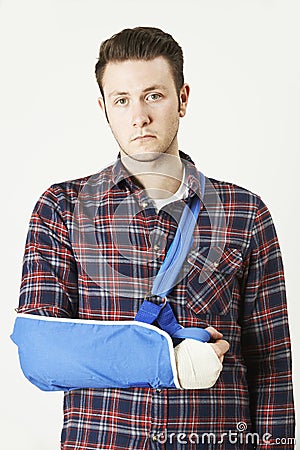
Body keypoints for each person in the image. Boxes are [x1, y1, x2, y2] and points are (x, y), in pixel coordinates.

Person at [13, 27, 295, 449]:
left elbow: (270, 360)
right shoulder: (62, 208)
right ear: (103, 108)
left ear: (182, 99)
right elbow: (42, 355)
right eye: (122, 100)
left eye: (153, 95)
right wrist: (169, 362)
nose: (138, 116)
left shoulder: (244, 211)